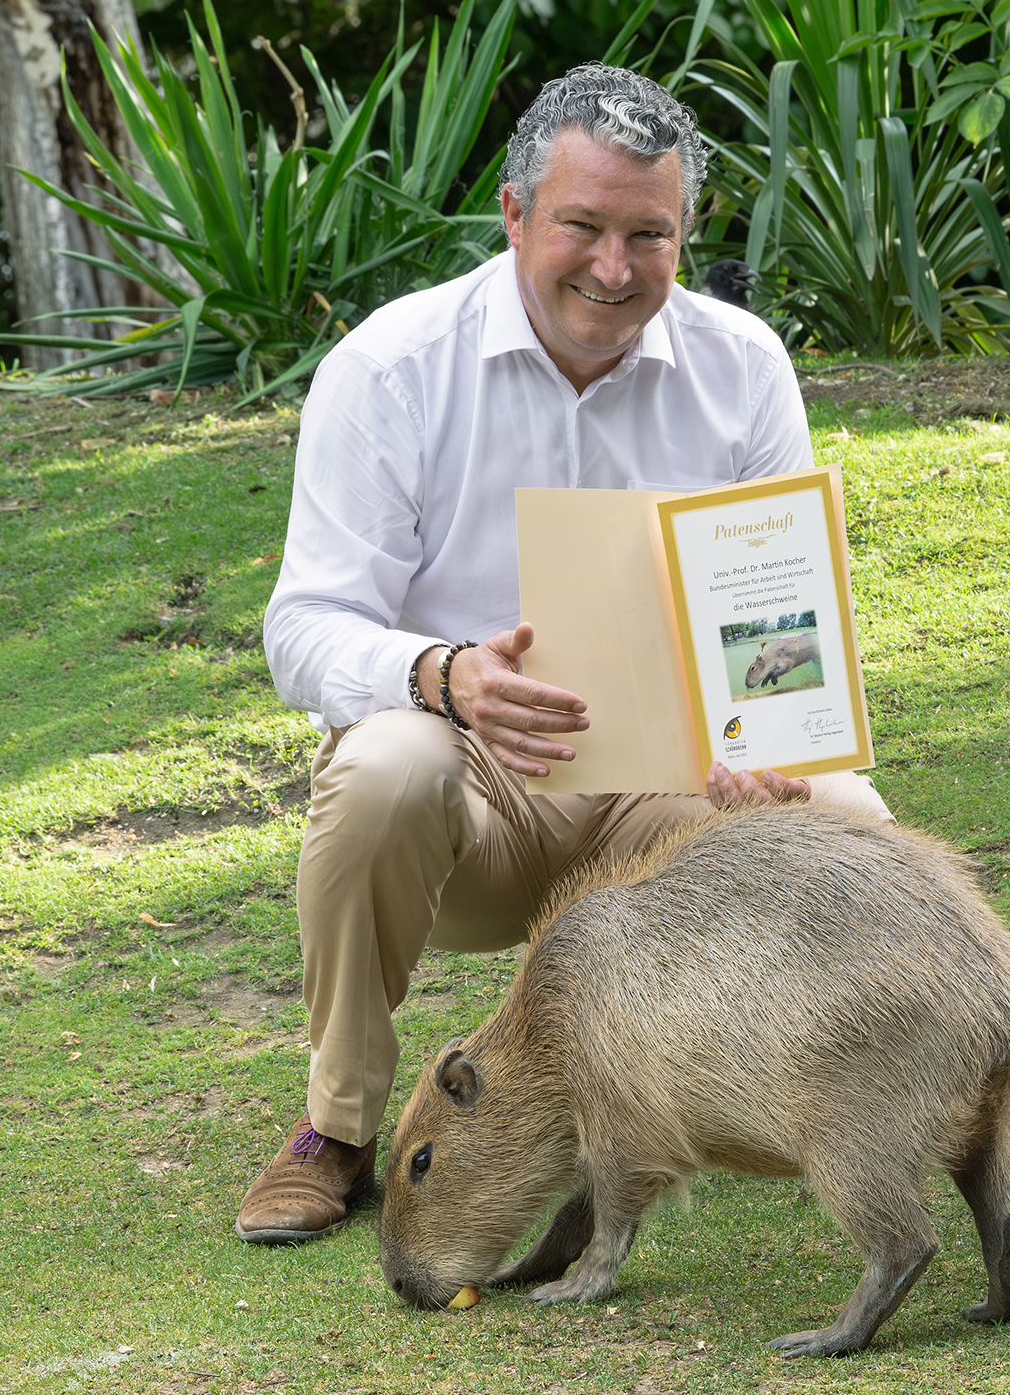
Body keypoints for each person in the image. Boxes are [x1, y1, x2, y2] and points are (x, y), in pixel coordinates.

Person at [236, 65, 887, 1244]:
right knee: (384, 768)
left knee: (851, 822)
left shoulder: (743, 365)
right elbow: (304, 626)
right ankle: (337, 1125)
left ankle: (826, 1110)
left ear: (685, 231)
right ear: (513, 213)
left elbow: (777, 621)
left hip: (668, 783)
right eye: (582, 226)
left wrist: (773, 752)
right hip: (471, 790)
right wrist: (445, 677)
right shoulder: (390, 368)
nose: (614, 268)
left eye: (650, 235)